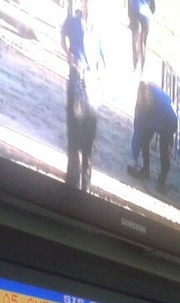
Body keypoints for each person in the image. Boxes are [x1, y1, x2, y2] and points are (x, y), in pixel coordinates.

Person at [61, 0, 104, 192]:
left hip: (92, 85)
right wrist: (68, 53)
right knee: (73, 136)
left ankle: (85, 186)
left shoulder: (99, 30)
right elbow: (62, 35)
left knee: (88, 142)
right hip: (76, 80)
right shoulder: (73, 21)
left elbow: (103, 61)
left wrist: (97, 77)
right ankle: (72, 182)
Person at [127, 81, 178, 194]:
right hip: (153, 120)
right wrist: (135, 159)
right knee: (144, 140)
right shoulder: (140, 105)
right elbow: (137, 131)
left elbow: (173, 120)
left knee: (164, 151)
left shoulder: (164, 105)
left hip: (168, 123)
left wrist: (169, 137)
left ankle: (162, 180)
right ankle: (145, 170)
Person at [128, 0, 155, 73]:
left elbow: (130, 3)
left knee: (135, 40)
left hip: (135, 12)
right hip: (146, 15)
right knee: (143, 42)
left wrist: (130, 17)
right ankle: (142, 69)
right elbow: (153, 8)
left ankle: (135, 66)